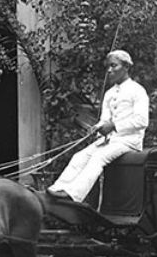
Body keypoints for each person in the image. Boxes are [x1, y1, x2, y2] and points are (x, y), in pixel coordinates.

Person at [47, 49, 150, 203]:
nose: (109, 70)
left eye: (114, 66)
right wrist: (97, 128)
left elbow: (142, 121)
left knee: (97, 157)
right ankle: (58, 189)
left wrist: (114, 126)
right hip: (110, 141)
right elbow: (104, 120)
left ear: (126, 67)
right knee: (79, 156)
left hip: (129, 141)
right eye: (108, 66)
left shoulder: (138, 91)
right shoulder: (109, 93)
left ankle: (74, 195)